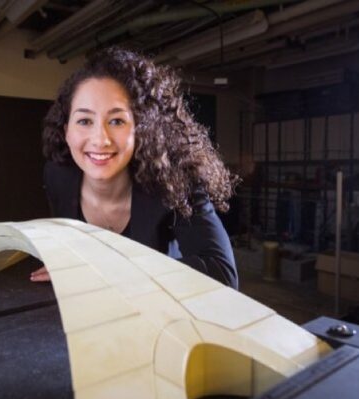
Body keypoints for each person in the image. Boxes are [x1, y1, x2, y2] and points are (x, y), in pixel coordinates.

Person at [30, 47, 239, 289]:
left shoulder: (175, 181)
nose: (100, 139)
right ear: (66, 130)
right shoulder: (57, 176)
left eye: (117, 121)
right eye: (85, 121)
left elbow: (222, 274)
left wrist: (102, 267)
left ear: (141, 129)